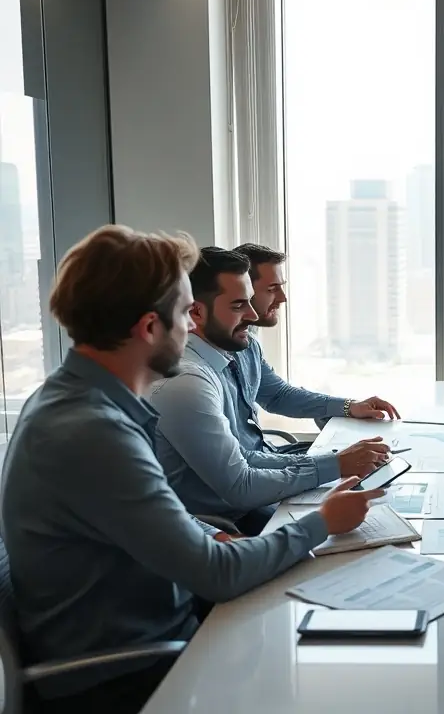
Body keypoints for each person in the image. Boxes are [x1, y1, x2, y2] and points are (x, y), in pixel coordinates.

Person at [0, 225, 384, 714]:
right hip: (133, 672)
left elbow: (134, 511)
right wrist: (323, 522)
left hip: (164, 623)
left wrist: (204, 531)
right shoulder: (93, 432)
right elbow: (218, 577)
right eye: (185, 314)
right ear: (149, 328)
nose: (192, 329)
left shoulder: (79, 400)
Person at [151, 247, 392, 535]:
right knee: (358, 533)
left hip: (249, 494)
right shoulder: (186, 381)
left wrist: (335, 457)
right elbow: (240, 485)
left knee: (373, 504)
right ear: (196, 312)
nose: (253, 315)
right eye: (240, 305)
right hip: (226, 521)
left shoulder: (230, 348)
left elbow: (252, 449)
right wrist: (333, 465)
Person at [234, 241, 401, 429]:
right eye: (272, 289)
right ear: (244, 290)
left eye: (281, 287)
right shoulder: (208, 362)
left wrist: (349, 406)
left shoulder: (250, 343)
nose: (283, 298)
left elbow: (277, 395)